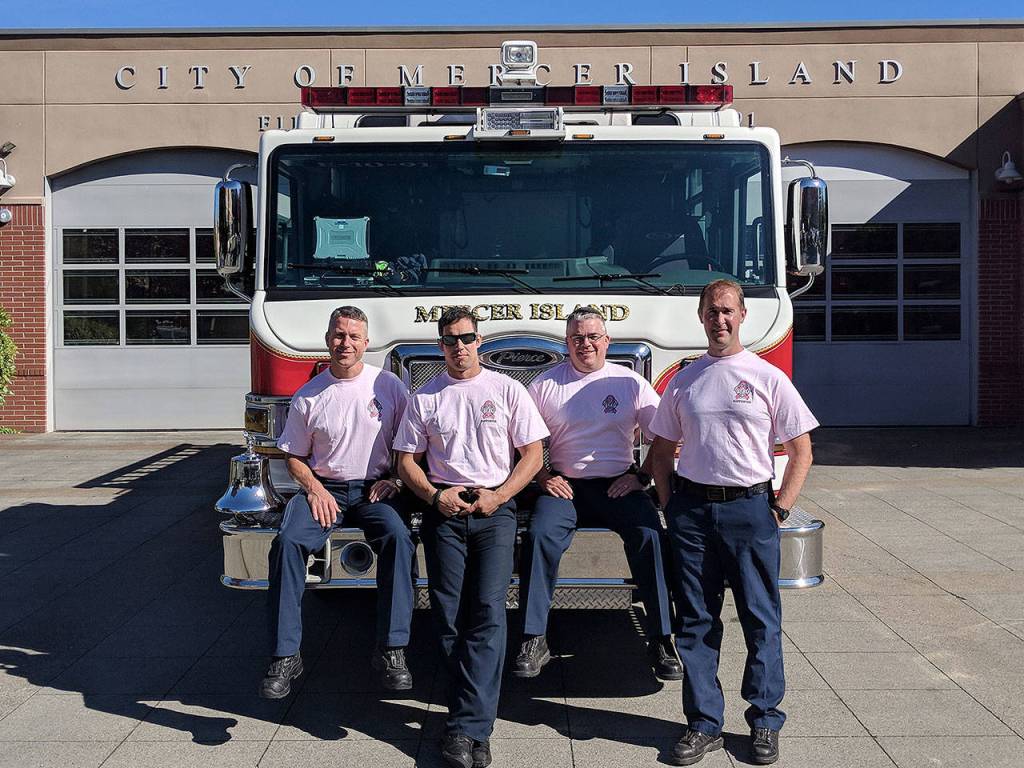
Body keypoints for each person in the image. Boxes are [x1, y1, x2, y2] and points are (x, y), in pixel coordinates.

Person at [649, 279, 818, 766]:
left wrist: (780, 508)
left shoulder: (767, 378)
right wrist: (670, 506)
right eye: (710, 312)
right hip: (693, 513)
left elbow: (802, 449)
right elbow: (661, 452)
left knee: (760, 619)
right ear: (701, 318)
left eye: (727, 311)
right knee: (697, 623)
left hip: (750, 511)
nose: (718, 320)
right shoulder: (684, 380)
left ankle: (764, 720)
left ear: (742, 315)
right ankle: (704, 724)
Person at [395, 307, 547, 768]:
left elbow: (534, 455)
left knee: (486, 613)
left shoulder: (508, 390)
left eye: (466, 338)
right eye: (449, 340)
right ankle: (473, 727)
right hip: (445, 513)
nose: (459, 347)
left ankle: (466, 730)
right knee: (447, 617)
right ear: (439, 346)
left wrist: (500, 496)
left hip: (494, 514)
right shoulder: (425, 397)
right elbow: (406, 461)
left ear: (480, 342)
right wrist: (434, 496)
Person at [513, 306, 682, 681]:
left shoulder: (629, 383)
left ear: (606, 341)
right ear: (566, 343)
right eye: (577, 338)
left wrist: (641, 477)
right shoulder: (545, 385)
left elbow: (663, 435)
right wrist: (542, 477)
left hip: (618, 484)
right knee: (539, 536)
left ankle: (662, 637)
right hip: (564, 487)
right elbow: (521, 442)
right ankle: (533, 637)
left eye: (592, 337)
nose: (584, 344)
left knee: (650, 536)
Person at [260, 306, 414, 699]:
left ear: (366, 343)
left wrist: (396, 480)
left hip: (375, 490)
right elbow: (293, 455)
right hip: (324, 490)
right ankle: (285, 655)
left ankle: (392, 649)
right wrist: (314, 488)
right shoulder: (309, 395)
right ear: (328, 338)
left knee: (399, 538)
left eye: (354, 337)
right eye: (339, 335)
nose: (346, 343)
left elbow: (410, 446)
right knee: (288, 544)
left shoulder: (390, 386)